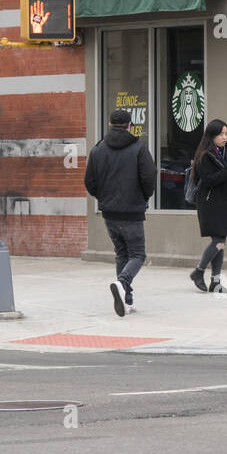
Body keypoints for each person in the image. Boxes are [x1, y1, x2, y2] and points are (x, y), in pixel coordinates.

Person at [83, 108, 156, 317]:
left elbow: (89, 181)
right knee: (137, 254)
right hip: (131, 211)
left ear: (109, 123)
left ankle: (126, 300)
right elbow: (149, 177)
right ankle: (122, 283)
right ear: (129, 125)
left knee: (122, 253)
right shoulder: (139, 149)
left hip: (109, 212)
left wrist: (103, 198)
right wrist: (143, 197)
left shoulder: (97, 150)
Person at [189, 119, 227, 294]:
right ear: (212, 135)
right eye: (221, 134)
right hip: (210, 203)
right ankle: (198, 271)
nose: (224, 137)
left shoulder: (226, 152)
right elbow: (209, 180)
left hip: (225, 201)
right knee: (219, 241)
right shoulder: (205, 156)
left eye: (226, 133)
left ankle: (215, 281)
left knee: (221, 241)